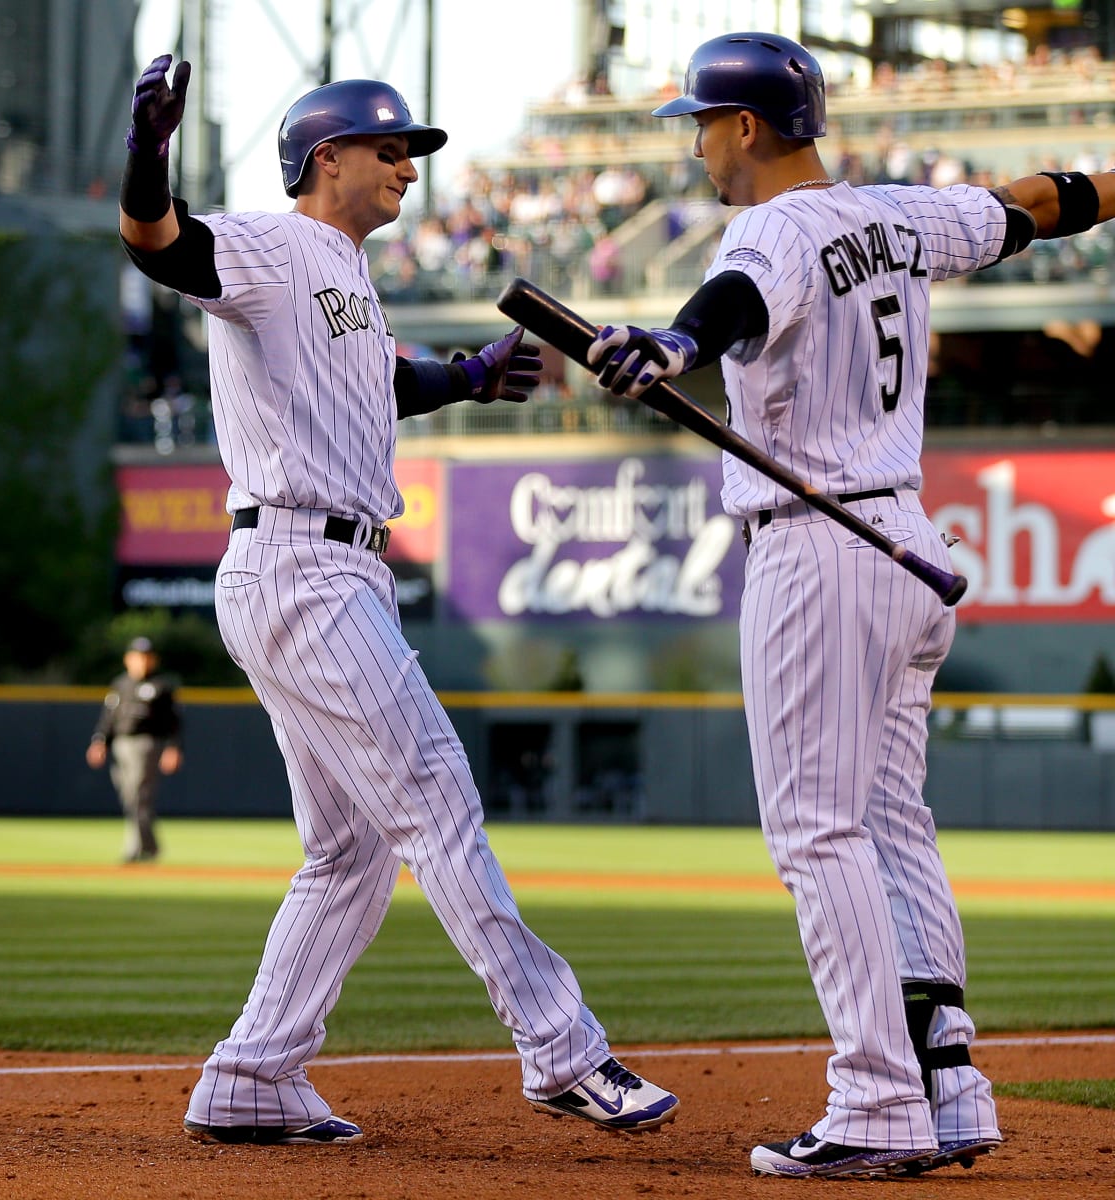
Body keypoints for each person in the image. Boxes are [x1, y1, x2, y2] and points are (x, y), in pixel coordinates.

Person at [117, 55, 678, 1147]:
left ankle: (253, 1077)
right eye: (392, 150)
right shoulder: (273, 244)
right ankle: (561, 1049)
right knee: (435, 797)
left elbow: (378, 381)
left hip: (323, 569)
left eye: (411, 154)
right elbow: (155, 242)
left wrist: (466, 377)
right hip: (301, 562)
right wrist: (147, 149)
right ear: (326, 158)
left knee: (352, 852)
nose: (409, 170)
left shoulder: (345, 273)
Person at [585, 30, 1115, 1181]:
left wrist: (674, 341)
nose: (696, 145)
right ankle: (949, 1082)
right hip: (908, 543)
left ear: (746, 126)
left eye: (702, 124)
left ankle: (875, 1101)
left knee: (818, 833)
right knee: (890, 822)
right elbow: (1038, 204)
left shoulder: (766, 225)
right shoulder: (902, 214)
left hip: (818, 542)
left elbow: (730, 299)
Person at [86, 636, 183, 863]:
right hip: (121, 744)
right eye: (138, 656)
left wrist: (173, 748)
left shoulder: (162, 686)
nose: (142, 661)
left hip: (148, 744)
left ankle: (134, 848)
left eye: (147, 657)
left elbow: (174, 722)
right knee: (130, 796)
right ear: (128, 659)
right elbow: (109, 717)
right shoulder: (120, 684)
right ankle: (150, 845)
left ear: (154, 659)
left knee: (139, 795)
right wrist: (99, 741)